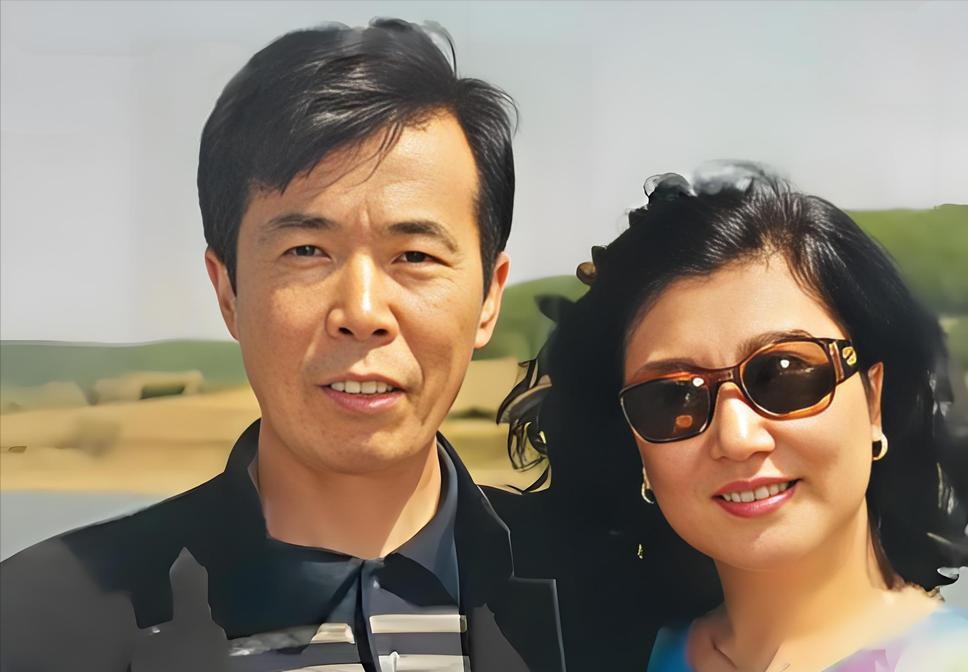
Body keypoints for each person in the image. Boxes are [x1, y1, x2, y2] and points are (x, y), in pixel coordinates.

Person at [0, 19, 565, 672]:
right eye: (306, 251)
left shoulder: (612, 598)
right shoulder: (33, 623)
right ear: (228, 291)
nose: (362, 313)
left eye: (414, 255)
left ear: (490, 296)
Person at [500, 165, 968, 670]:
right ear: (633, 444)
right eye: (672, 398)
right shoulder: (597, 653)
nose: (737, 437)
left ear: (872, 400)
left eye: (783, 374)